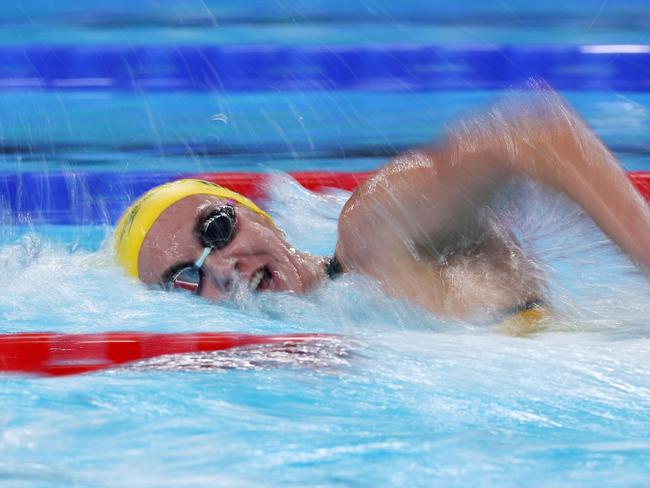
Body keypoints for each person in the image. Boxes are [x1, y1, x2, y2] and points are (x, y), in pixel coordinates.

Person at [114, 87, 650, 333]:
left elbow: (537, 134)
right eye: (186, 278)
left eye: (215, 228)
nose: (221, 265)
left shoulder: (373, 228)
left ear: (256, 214)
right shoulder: (327, 333)